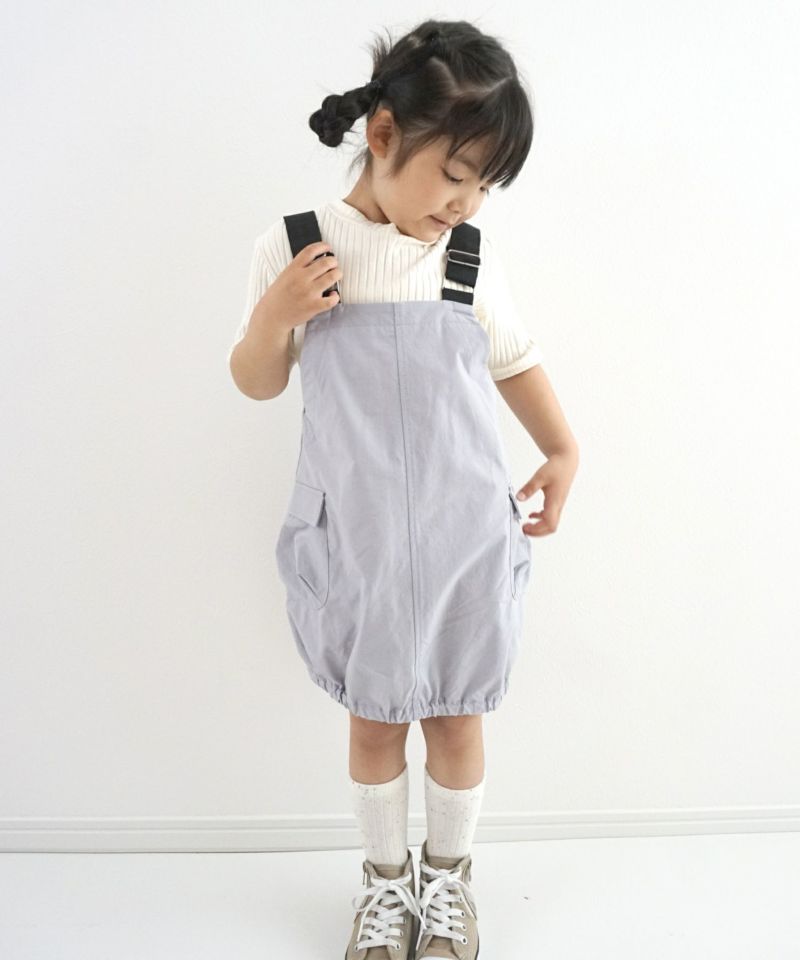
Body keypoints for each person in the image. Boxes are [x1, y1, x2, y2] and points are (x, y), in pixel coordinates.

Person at [228, 18, 579, 960]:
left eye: (485, 185)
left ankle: (449, 880)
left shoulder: (468, 261)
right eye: (455, 175)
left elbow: (515, 359)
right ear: (382, 135)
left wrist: (561, 449)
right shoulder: (296, 248)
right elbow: (257, 381)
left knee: (457, 716)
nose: (467, 203)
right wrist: (272, 319)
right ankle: (385, 886)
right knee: (377, 720)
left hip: (465, 534)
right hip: (362, 540)